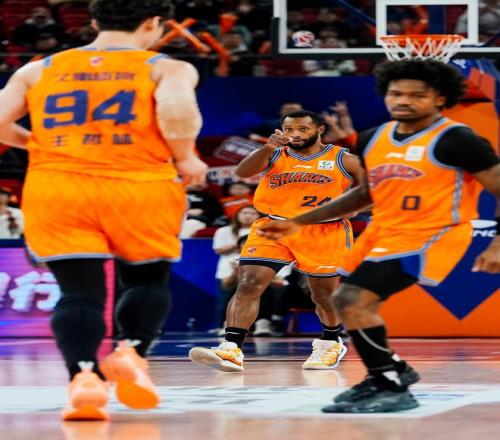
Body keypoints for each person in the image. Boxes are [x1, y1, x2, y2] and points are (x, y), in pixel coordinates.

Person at [0, 0, 207, 421]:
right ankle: (131, 351)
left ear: (94, 22)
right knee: (147, 279)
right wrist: (186, 156)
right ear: (154, 23)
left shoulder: (38, 69)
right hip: (140, 184)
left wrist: (35, 144)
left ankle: (84, 378)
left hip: (59, 186)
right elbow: (177, 111)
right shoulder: (165, 67)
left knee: (79, 293)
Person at [258, 60, 500, 413]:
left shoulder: (458, 139)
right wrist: (299, 221)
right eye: (396, 93)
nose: (404, 100)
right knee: (346, 302)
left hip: (433, 234)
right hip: (383, 231)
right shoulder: (373, 137)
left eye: (417, 95)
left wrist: (498, 243)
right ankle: (391, 370)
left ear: (440, 98)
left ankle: (390, 385)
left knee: (352, 299)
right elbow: (365, 194)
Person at [189, 110, 363, 372]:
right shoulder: (274, 154)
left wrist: (354, 207)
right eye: (289, 129)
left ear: (320, 130)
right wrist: (267, 147)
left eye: (303, 129)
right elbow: (243, 172)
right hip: (273, 225)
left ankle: (331, 341)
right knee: (248, 284)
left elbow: (376, 186)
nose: (295, 135)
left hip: (323, 229)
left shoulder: (342, 158)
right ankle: (231, 348)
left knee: (322, 294)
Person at [212, 205, 261, 331]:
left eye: (252, 213)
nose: (248, 216)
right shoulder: (224, 231)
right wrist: (240, 243)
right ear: (237, 215)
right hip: (228, 267)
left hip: (256, 267)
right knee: (227, 296)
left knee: (252, 297)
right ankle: (224, 325)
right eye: (244, 212)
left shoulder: (262, 230)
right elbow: (218, 249)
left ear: (258, 216)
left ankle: (253, 326)